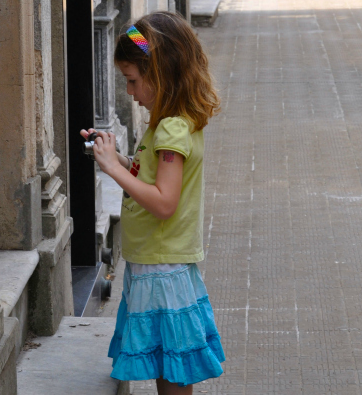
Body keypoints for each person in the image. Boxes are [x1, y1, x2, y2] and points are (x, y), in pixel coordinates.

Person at [79, 11, 225, 395]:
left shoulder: (172, 127)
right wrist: (118, 158)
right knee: (168, 369)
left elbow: (163, 202)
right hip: (157, 264)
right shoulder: (166, 122)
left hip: (163, 269)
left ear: (159, 73)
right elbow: (151, 177)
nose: (129, 91)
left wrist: (113, 169)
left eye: (132, 80)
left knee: (173, 377)